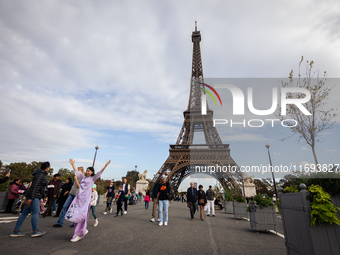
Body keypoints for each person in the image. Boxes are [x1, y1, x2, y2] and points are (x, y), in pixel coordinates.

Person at [65, 159, 111, 242]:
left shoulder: (92, 179)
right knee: (76, 216)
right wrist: (73, 165)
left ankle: (79, 234)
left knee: (81, 217)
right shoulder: (82, 177)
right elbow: (77, 172)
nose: (87, 172)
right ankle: (82, 231)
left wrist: (105, 165)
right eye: (86, 171)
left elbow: (100, 172)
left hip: (85, 201)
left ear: (92, 172)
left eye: (89, 171)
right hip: (78, 200)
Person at [10, 162, 50, 237]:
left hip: (31, 195)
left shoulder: (38, 174)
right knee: (36, 212)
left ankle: (16, 230)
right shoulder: (41, 175)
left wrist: (44, 196)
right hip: (33, 196)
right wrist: (31, 198)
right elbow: (35, 187)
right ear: (47, 167)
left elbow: (40, 187)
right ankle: (35, 231)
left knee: (25, 212)